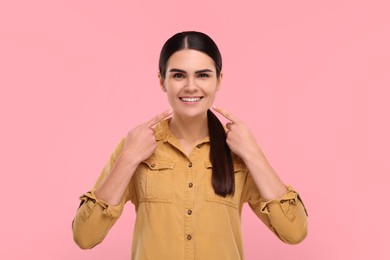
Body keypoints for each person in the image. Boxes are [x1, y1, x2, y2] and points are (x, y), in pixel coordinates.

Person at [72, 31, 308, 259]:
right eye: (178, 75)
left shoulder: (241, 150)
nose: (191, 86)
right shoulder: (135, 146)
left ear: (219, 80)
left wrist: (253, 154)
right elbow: (85, 237)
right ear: (162, 81)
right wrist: (128, 159)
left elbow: (294, 231)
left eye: (203, 75)